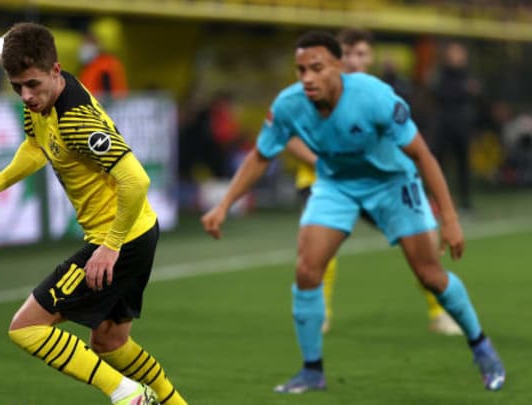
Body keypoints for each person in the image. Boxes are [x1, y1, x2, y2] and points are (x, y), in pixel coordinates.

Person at [201, 31, 505, 394]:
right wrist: (223, 205)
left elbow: (423, 155)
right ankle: (312, 370)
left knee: (429, 274)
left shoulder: (374, 97)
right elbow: (260, 156)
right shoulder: (288, 104)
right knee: (307, 270)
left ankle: (482, 347)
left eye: (317, 68)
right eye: (301, 70)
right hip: (336, 184)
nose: (307, 78)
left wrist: (450, 220)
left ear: (339, 67)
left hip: (392, 184)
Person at [0, 22, 187, 405]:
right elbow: (35, 146)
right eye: (17, 87)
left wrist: (109, 247)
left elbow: (137, 181)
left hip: (120, 237)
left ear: (56, 71)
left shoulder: (78, 121)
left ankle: (128, 396)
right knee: (110, 343)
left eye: (32, 84)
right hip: (137, 231)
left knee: (26, 328)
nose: (26, 96)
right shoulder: (45, 104)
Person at [285, 28, 462, 336]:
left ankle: (439, 313)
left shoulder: (376, 95)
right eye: (348, 53)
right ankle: (320, 315)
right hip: (322, 182)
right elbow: (286, 136)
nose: (354, 60)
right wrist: (320, 162)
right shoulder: (309, 90)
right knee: (320, 251)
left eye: (361, 54)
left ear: (371, 58)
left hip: (371, 182)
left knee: (419, 242)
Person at [430, 41, 478, 211]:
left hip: (462, 125)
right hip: (444, 125)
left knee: (463, 165)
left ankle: (466, 202)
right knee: (438, 164)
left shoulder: (467, 74)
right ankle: (439, 203)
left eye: (459, 53)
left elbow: (477, 93)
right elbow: (439, 93)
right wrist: (463, 90)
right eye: (453, 53)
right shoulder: (441, 74)